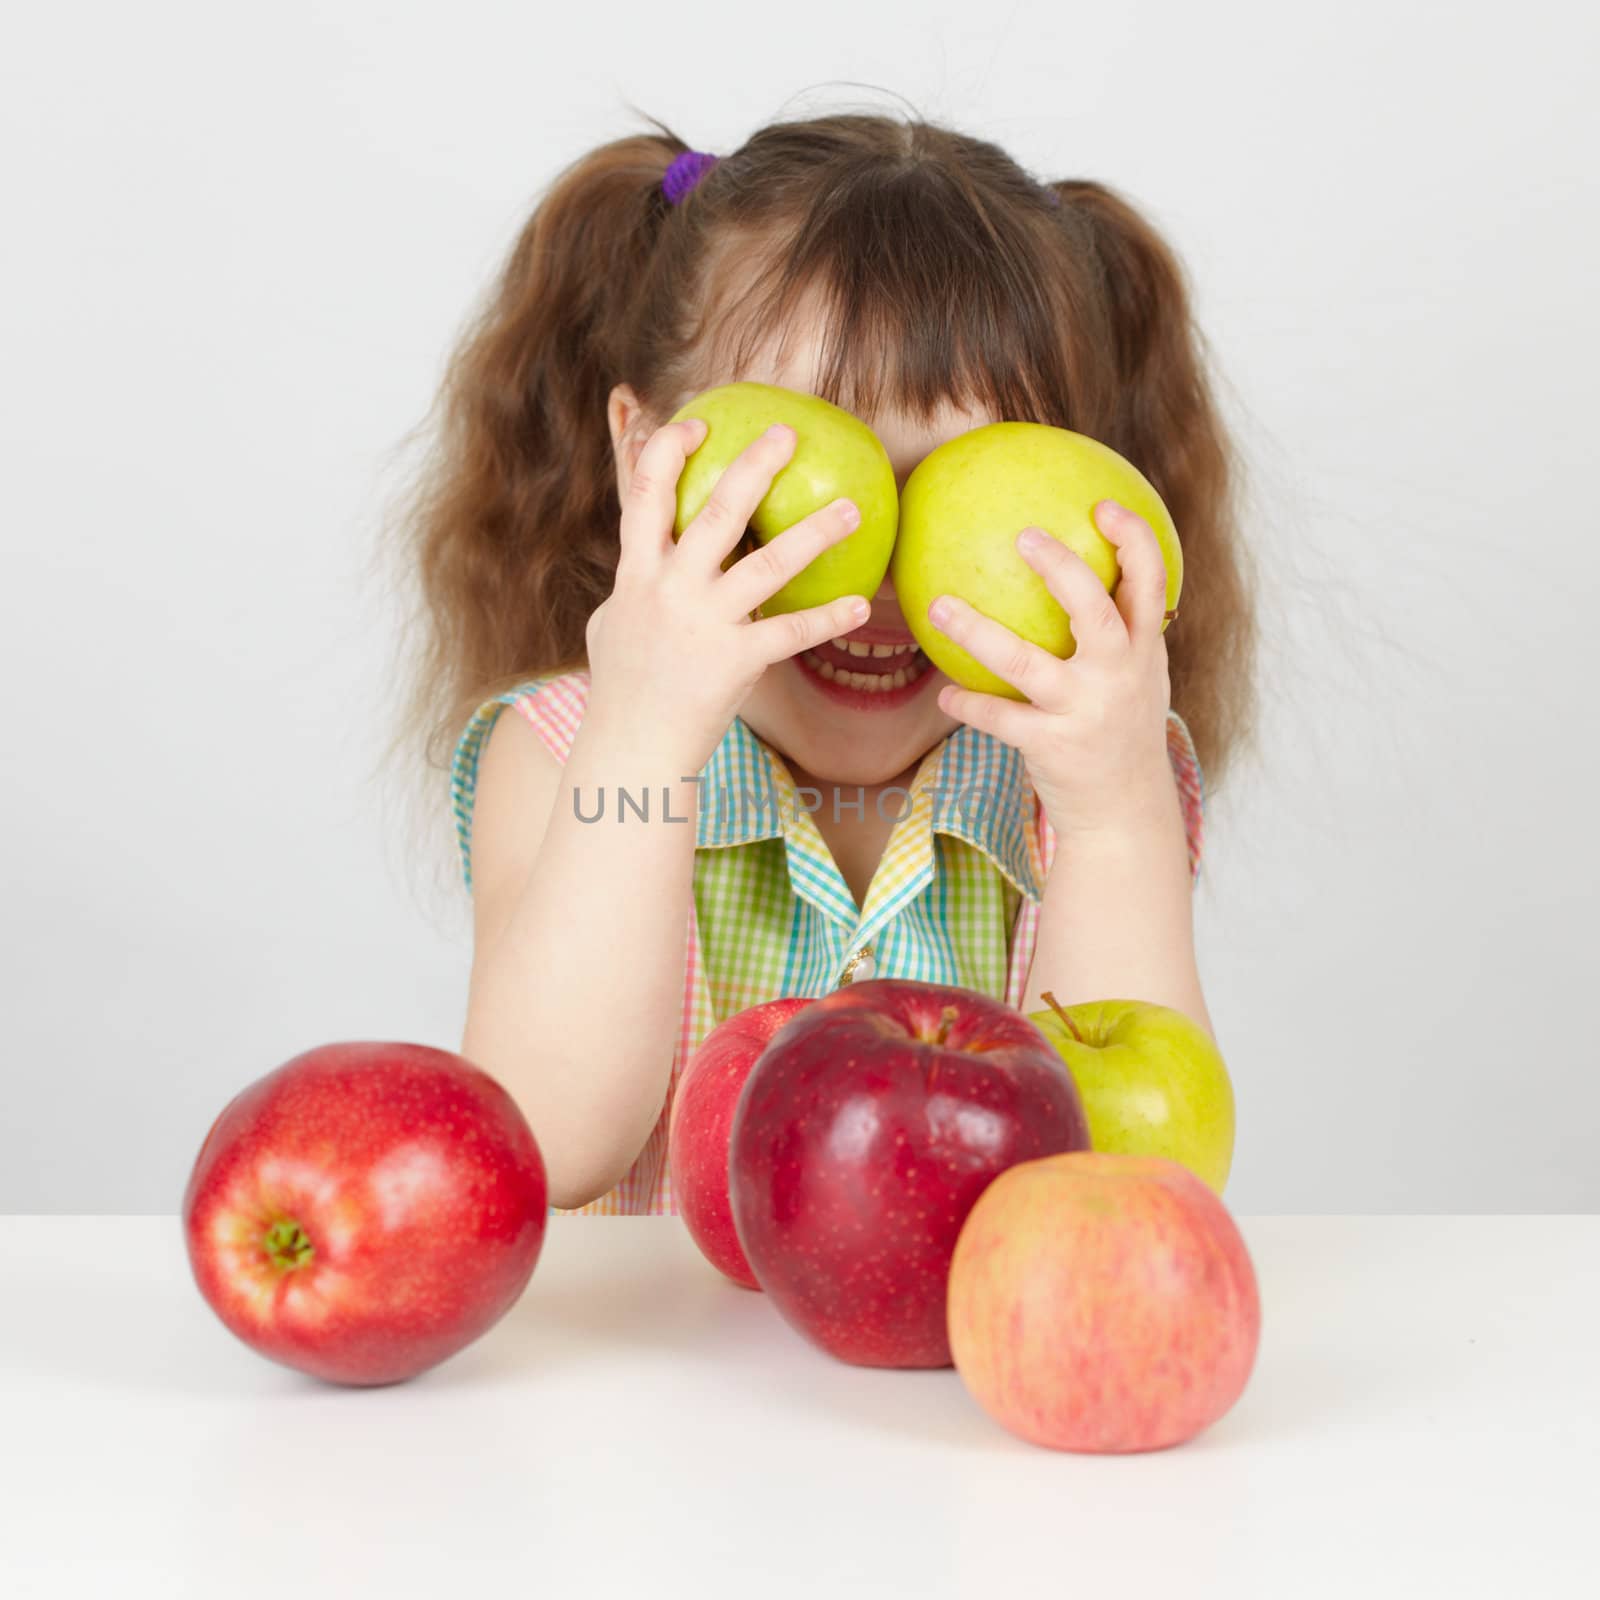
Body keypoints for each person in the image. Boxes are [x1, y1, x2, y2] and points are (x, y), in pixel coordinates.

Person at [376, 109, 1259, 1215]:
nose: (878, 574)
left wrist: (1113, 814)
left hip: (941, 1383)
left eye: (958, 479)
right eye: (812, 469)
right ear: (642, 456)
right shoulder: (567, 754)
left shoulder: (1075, 780)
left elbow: (1124, 1189)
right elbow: (544, 1141)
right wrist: (642, 738)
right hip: (660, 1388)